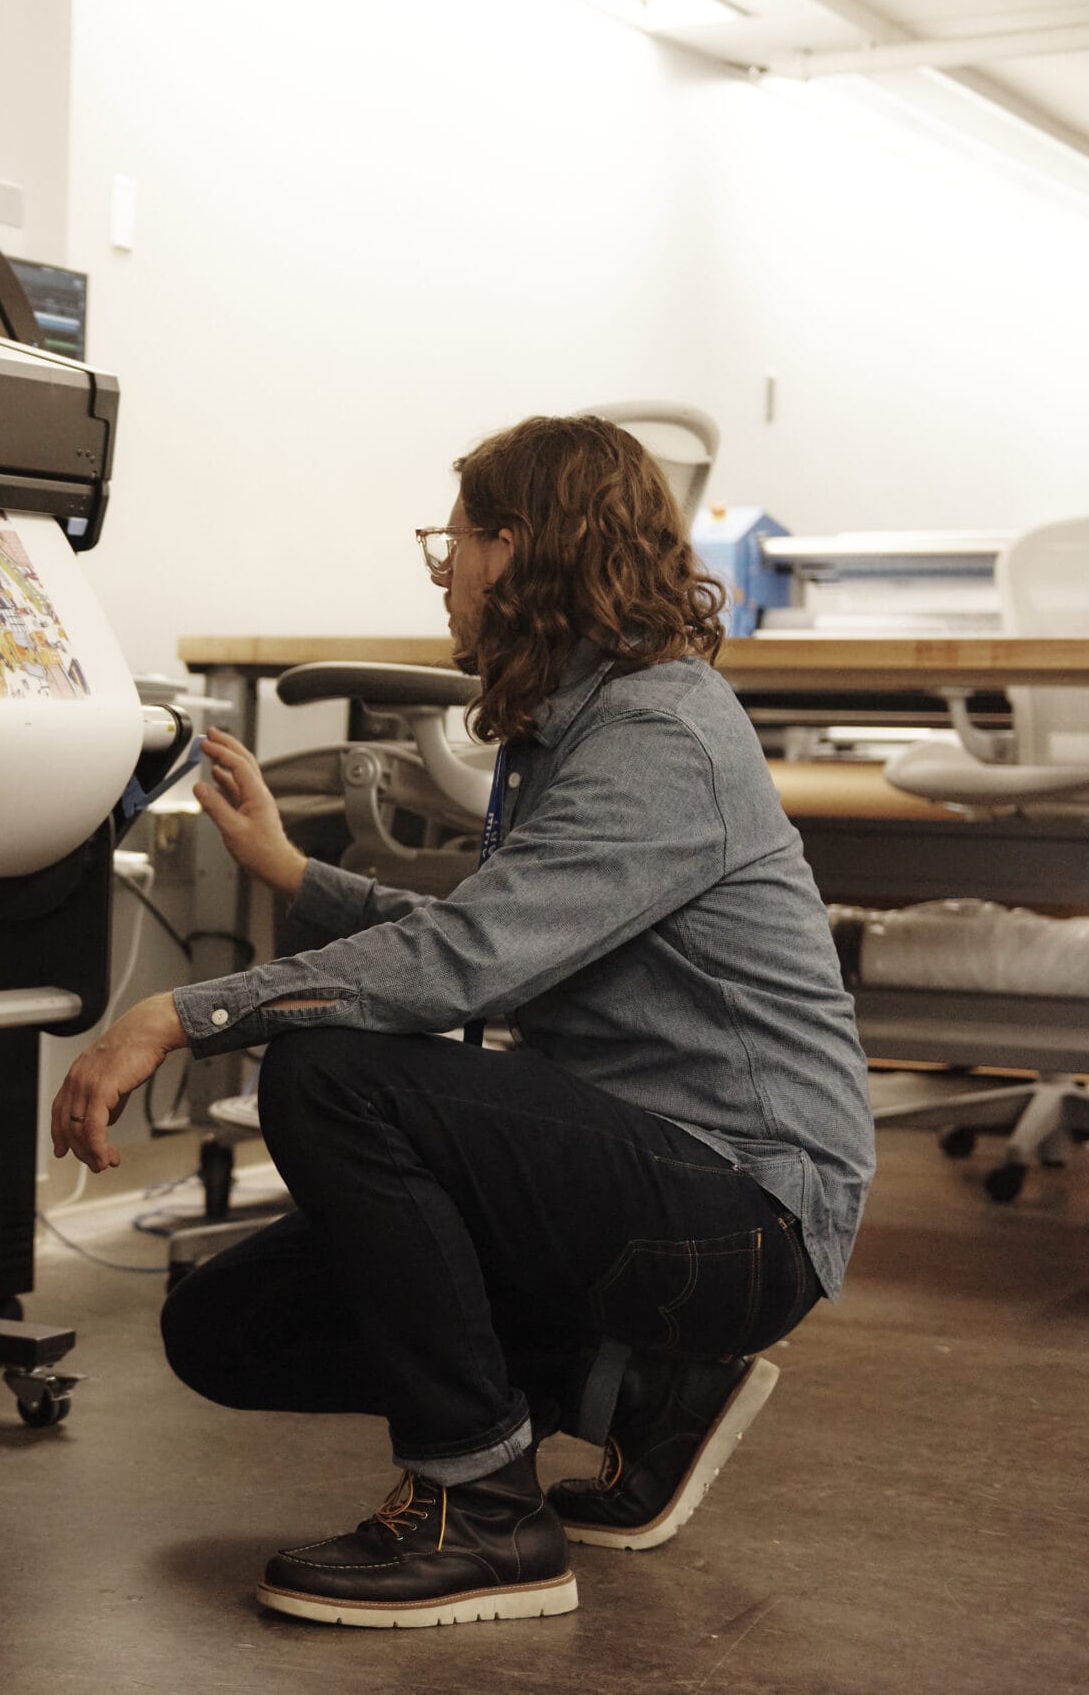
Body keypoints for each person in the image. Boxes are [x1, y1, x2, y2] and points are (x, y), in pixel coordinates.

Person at [50, 415, 874, 1629]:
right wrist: (291, 871)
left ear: (519, 548)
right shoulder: (581, 721)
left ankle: (482, 1510)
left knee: (331, 1073)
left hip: (744, 1208)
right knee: (223, 1327)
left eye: (459, 539)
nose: (442, 569)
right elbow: (501, 932)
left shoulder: (657, 730)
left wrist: (185, 1013)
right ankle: (633, 1388)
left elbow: (466, 962)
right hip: (654, 1180)